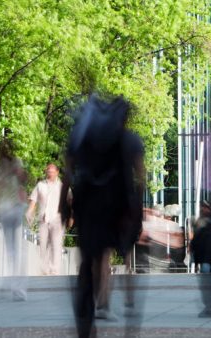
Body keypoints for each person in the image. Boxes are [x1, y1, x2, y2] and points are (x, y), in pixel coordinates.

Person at [67, 95, 145, 338]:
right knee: (113, 260)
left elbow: (68, 173)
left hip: (88, 209)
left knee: (89, 263)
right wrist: (137, 209)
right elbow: (141, 177)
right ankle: (118, 310)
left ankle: (86, 321)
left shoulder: (83, 137)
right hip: (117, 209)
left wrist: (64, 205)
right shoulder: (131, 140)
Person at [0, 140, 29, 303]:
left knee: (15, 249)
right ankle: (9, 287)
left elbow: (24, 178)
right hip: (6, 209)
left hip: (15, 208)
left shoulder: (16, 162)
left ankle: (16, 288)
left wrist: (17, 172)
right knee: (10, 249)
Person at [26, 163, 64, 275]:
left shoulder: (63, 187)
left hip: (57, 219)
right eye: (48, 171)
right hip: (43, 219)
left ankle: (54, 270)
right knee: (43, 244)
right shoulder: (40, 185)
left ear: (57, 172)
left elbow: (70, 201)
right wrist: (29, 211)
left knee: (56, 245)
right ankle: (44, 269)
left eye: (52, 171)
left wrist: (71, 216)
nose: (50, 173)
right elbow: (33, 200)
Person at [191, 201, 211, 317]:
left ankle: (210, 308)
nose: (203, 209)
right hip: (203, 259)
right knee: (206, 286)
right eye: (202, 207)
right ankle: (210, 307)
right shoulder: (203, 222)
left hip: (207, 260)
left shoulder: (209, 224)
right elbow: (196, 242)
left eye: (205, 207)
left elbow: (209, 244)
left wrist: (206, 262)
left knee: (207, 286)